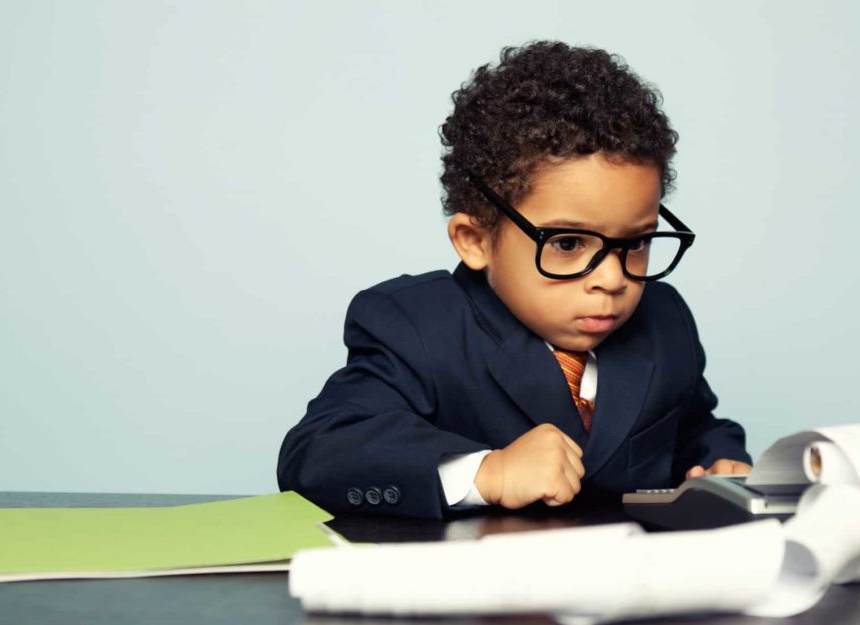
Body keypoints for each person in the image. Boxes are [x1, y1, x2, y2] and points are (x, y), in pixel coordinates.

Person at [278, 41, 751, 519]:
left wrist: (716, 466)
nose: (611, 278)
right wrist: (488, 472)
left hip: (636, 584)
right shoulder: (418, 326)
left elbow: (696, 429)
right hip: (481, 584)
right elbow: (317, 454)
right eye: (568, 244)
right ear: (475, 240)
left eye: (635, 243)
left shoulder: (664, 320)